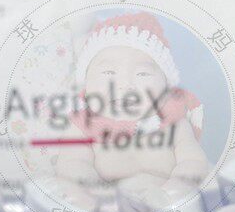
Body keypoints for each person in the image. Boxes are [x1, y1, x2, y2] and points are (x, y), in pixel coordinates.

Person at [55, 11, 208, 186]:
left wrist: (180, 186)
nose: (125, 85)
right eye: (108, 72)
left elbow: (193, 160)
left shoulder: (174, 121)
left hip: (165, 194)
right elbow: (72, 163)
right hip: (108, 197)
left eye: (142, 74)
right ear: (86, 84)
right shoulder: (82, 125)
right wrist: (95, 191)